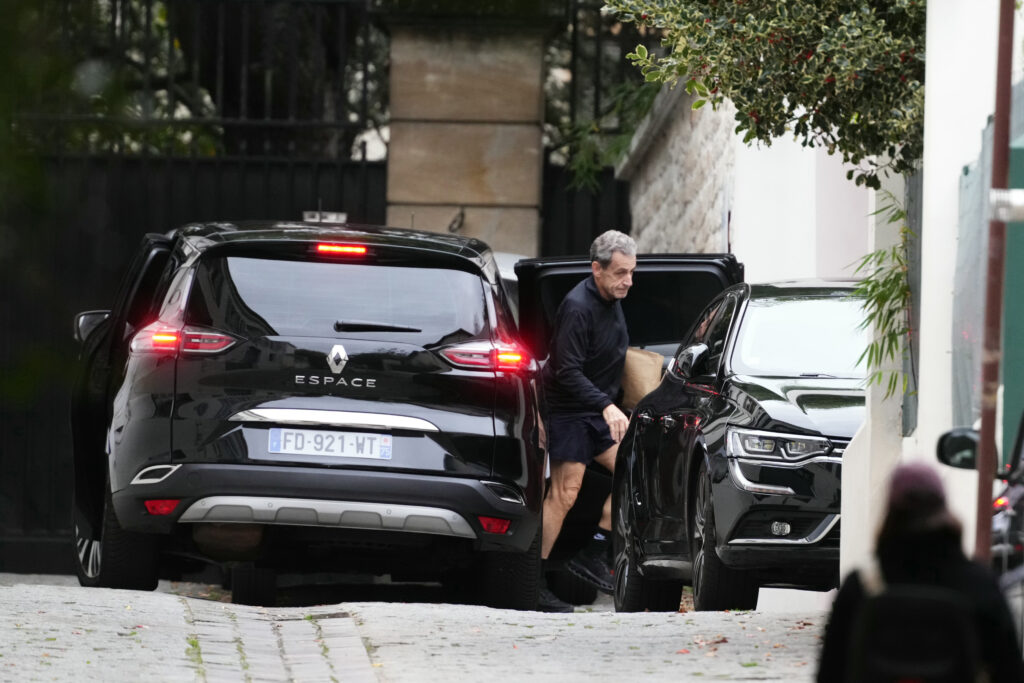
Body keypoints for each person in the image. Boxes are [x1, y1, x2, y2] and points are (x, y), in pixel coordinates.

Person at [817, 461, 1024, 682]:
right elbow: (1009, 670)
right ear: (943, 508)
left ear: (890, 512)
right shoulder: (979, 584)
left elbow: (830, 672)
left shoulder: (860, 586)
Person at [536, 229, 636, 613]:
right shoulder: (578, 307)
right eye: (620, 272)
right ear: (597, 269)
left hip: (596, 409)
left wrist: (617, 403)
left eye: (631, 272)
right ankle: (535, 582)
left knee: (633, 471)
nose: (628, 281)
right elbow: (567, 371)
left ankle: (593, 551)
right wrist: (606, 406)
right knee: (565, 493)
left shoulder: (613, 300)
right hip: (569, 410)